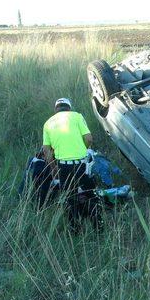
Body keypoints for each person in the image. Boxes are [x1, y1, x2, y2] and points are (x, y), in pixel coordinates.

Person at [42, 98, 101, 232]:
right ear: (69, 108)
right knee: (91, 195)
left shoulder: (47, 123)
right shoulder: (77, 116)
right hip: (81, 165)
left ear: (56, 109)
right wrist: (84, 149)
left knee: (70, 198)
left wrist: (53, 167)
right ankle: (98, 228)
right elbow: (89, 138)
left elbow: (46, 150)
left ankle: (75, 230)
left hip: (63, 167)